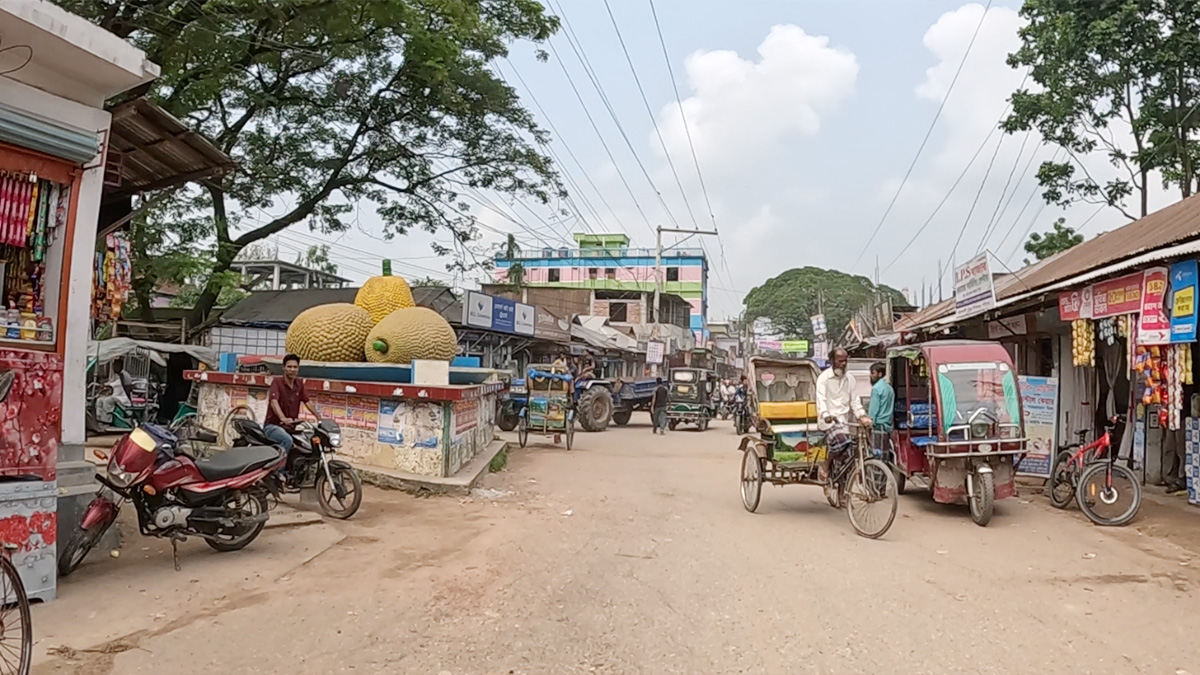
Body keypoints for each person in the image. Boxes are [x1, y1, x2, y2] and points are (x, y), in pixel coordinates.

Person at [816, 348, 870, 481]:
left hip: (844, 422)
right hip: (828, 422)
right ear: (833, 361)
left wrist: (862, 415)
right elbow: (821, 399)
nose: (844, 364)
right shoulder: (823, 378)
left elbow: (855, 401)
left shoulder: (850, 379)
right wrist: (826, 414)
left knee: (848, 458)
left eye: (845, 361)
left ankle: (842, 494)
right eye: (840, 361)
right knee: (843, 441)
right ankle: (826, 464)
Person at [263, 354, 321, 457]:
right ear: (284, 368)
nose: (292, 369)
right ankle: (279, 470)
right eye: (289, 367)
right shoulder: (277, 382)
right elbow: (274, 402)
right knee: (287, 440)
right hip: (273, 426)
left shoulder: (299, 385)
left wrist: (319, 418)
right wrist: (283, 418)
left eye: (295, 367)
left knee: (307, 442)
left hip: (291, 427)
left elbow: (307, 402)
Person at [95, 358, 135, 424]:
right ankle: (99, 418)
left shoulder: (124, 375)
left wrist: (107, 385)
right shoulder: (116, 375)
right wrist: (105, 384)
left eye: (116, 366)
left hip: (123, 397)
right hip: (116, 395)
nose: (114, 367)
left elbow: (118, 383)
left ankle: (107, 420)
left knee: (108, 401)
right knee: (100, 400)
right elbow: (111, 381)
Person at [867, 361, 894, 456]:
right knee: (884, 454)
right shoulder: (889, 388)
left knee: (876, 454)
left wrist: (868, 422)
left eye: (873, 373)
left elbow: (873, 410)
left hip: (878, 425)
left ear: (880, 374)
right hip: (887, 425)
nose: (870, 375)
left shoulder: (876, 388)